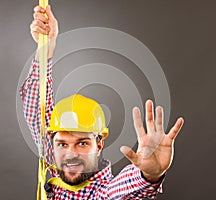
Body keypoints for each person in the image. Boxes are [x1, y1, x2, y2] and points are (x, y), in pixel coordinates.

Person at [20, 5, 184, 199]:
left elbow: (119, 191)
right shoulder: (56, 163)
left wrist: (149, 175)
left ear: (99, 145)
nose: (71, 154)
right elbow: (36, 107)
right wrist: (45, 48)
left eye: (82, 143)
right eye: (62, 144)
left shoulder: (102, 193)